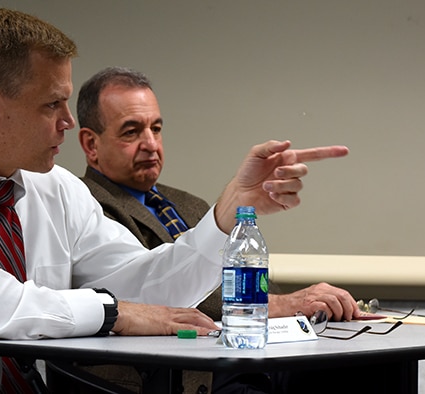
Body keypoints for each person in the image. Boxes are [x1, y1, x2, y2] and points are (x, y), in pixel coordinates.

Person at [0, 9, 351, 394]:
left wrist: (226, 215)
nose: (70, 123)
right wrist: (109, 313)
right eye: (54, 104)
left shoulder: (51, 187)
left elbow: (143, 286)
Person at [76, 66, 359, 393]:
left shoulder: (187, 202)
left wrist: (296, 305)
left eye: (156, 128)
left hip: (247, 352)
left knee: (362, 370)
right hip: (179, 372)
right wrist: (282, 304)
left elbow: (250, 270)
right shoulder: (87, 205)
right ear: (91, 144)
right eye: (131, 132)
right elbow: (151, 294)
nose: (151, 144)